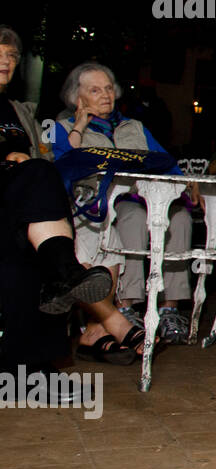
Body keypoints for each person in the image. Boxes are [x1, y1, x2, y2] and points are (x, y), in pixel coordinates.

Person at [53, 62, 198, 344]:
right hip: (99, 204)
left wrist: (186, 181)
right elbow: (60, 165)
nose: (106, 95)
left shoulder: (134, 126)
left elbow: (166, 162)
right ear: (77, 97)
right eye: (95, 90)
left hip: (146, 195)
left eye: (108, 88)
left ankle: (170, 308)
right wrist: (80, 128)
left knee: (178, 217)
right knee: (132, 216)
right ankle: (127, 304)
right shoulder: (61, 128)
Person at [0, 26, 115, 375]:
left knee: (37, 252)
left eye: (12, 56)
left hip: (16, 203)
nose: (6, 61)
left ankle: (34, 367)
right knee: (36, 172)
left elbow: (47, 159)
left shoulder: (19, 112)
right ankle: (65, 271)